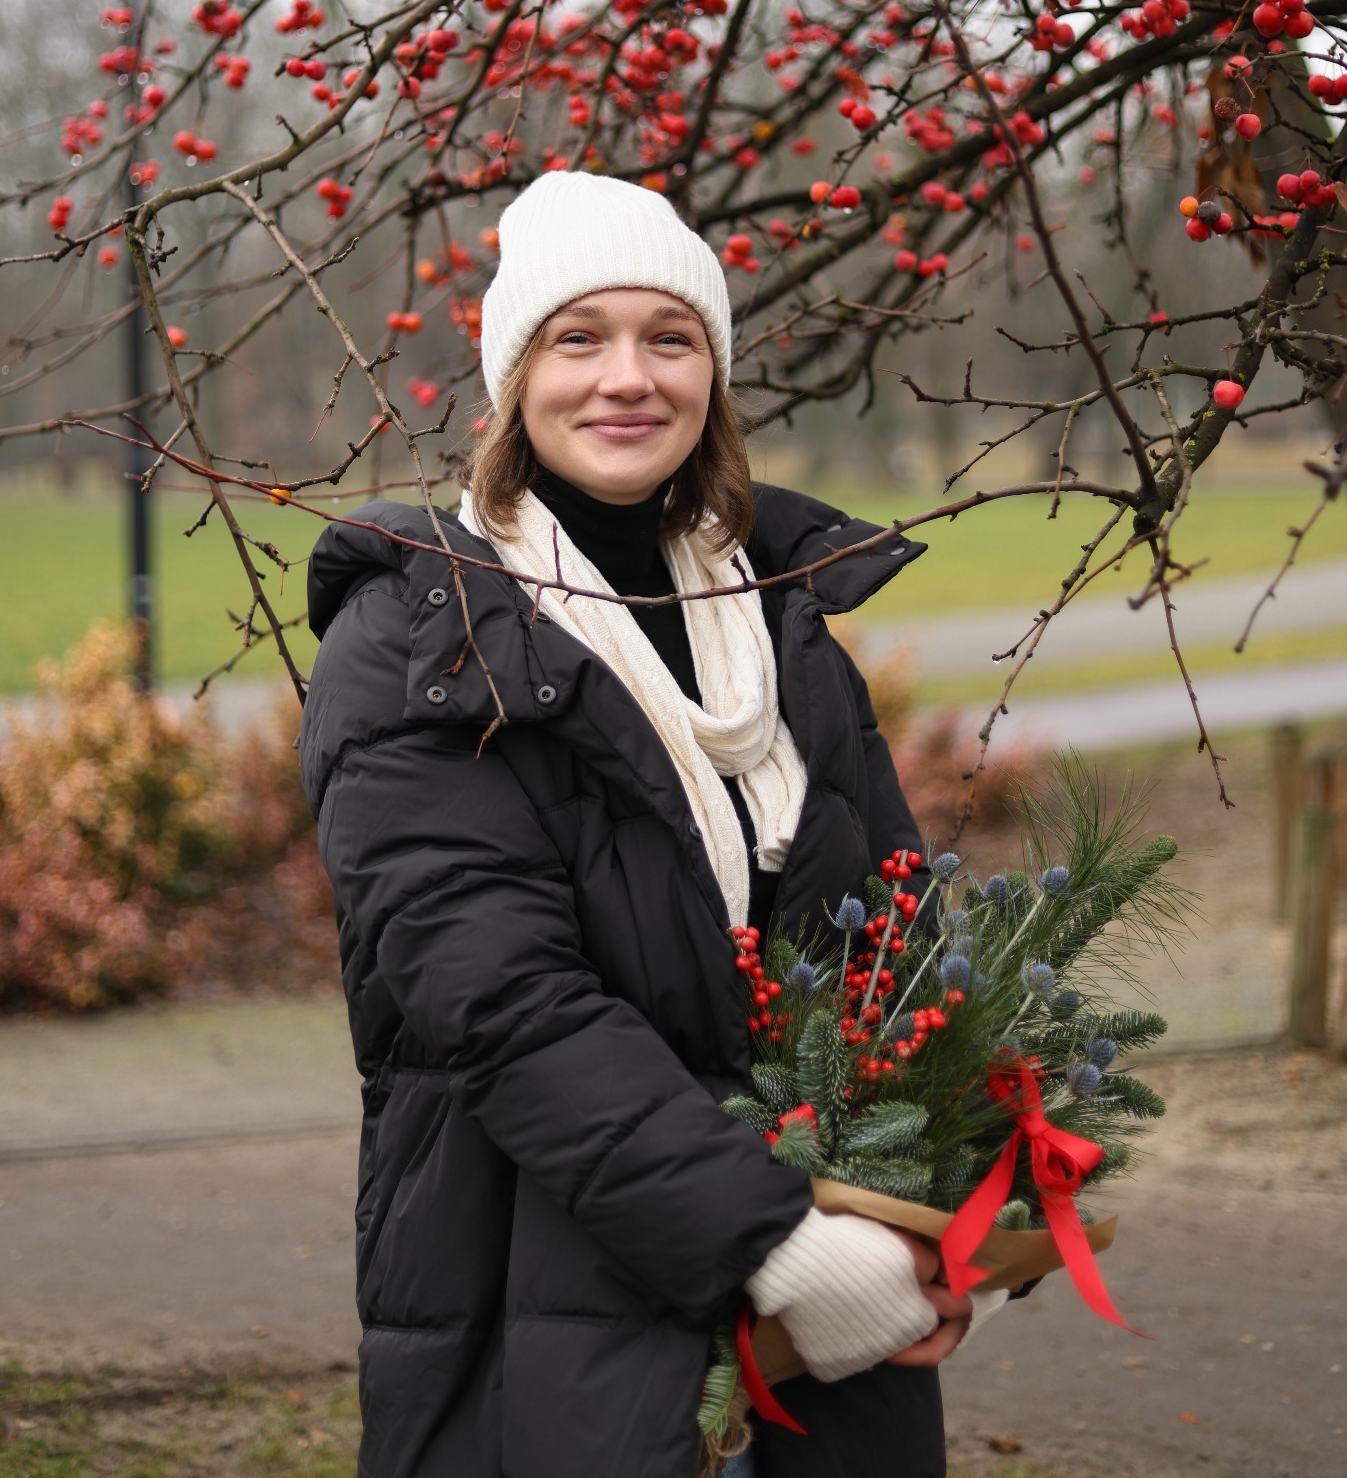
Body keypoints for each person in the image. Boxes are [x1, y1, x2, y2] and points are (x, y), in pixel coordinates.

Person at [300, 172, 1003, 1478]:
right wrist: (773, 1241)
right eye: (580, 338)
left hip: (826, 1334)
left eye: (669, 339)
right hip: (550, 1307)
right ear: (517, 376)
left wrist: (942, 1194)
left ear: (713, 377)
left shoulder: (779, 620)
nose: (628, 377)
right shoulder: (418, 639)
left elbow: (895, 933)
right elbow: (503, 1007)